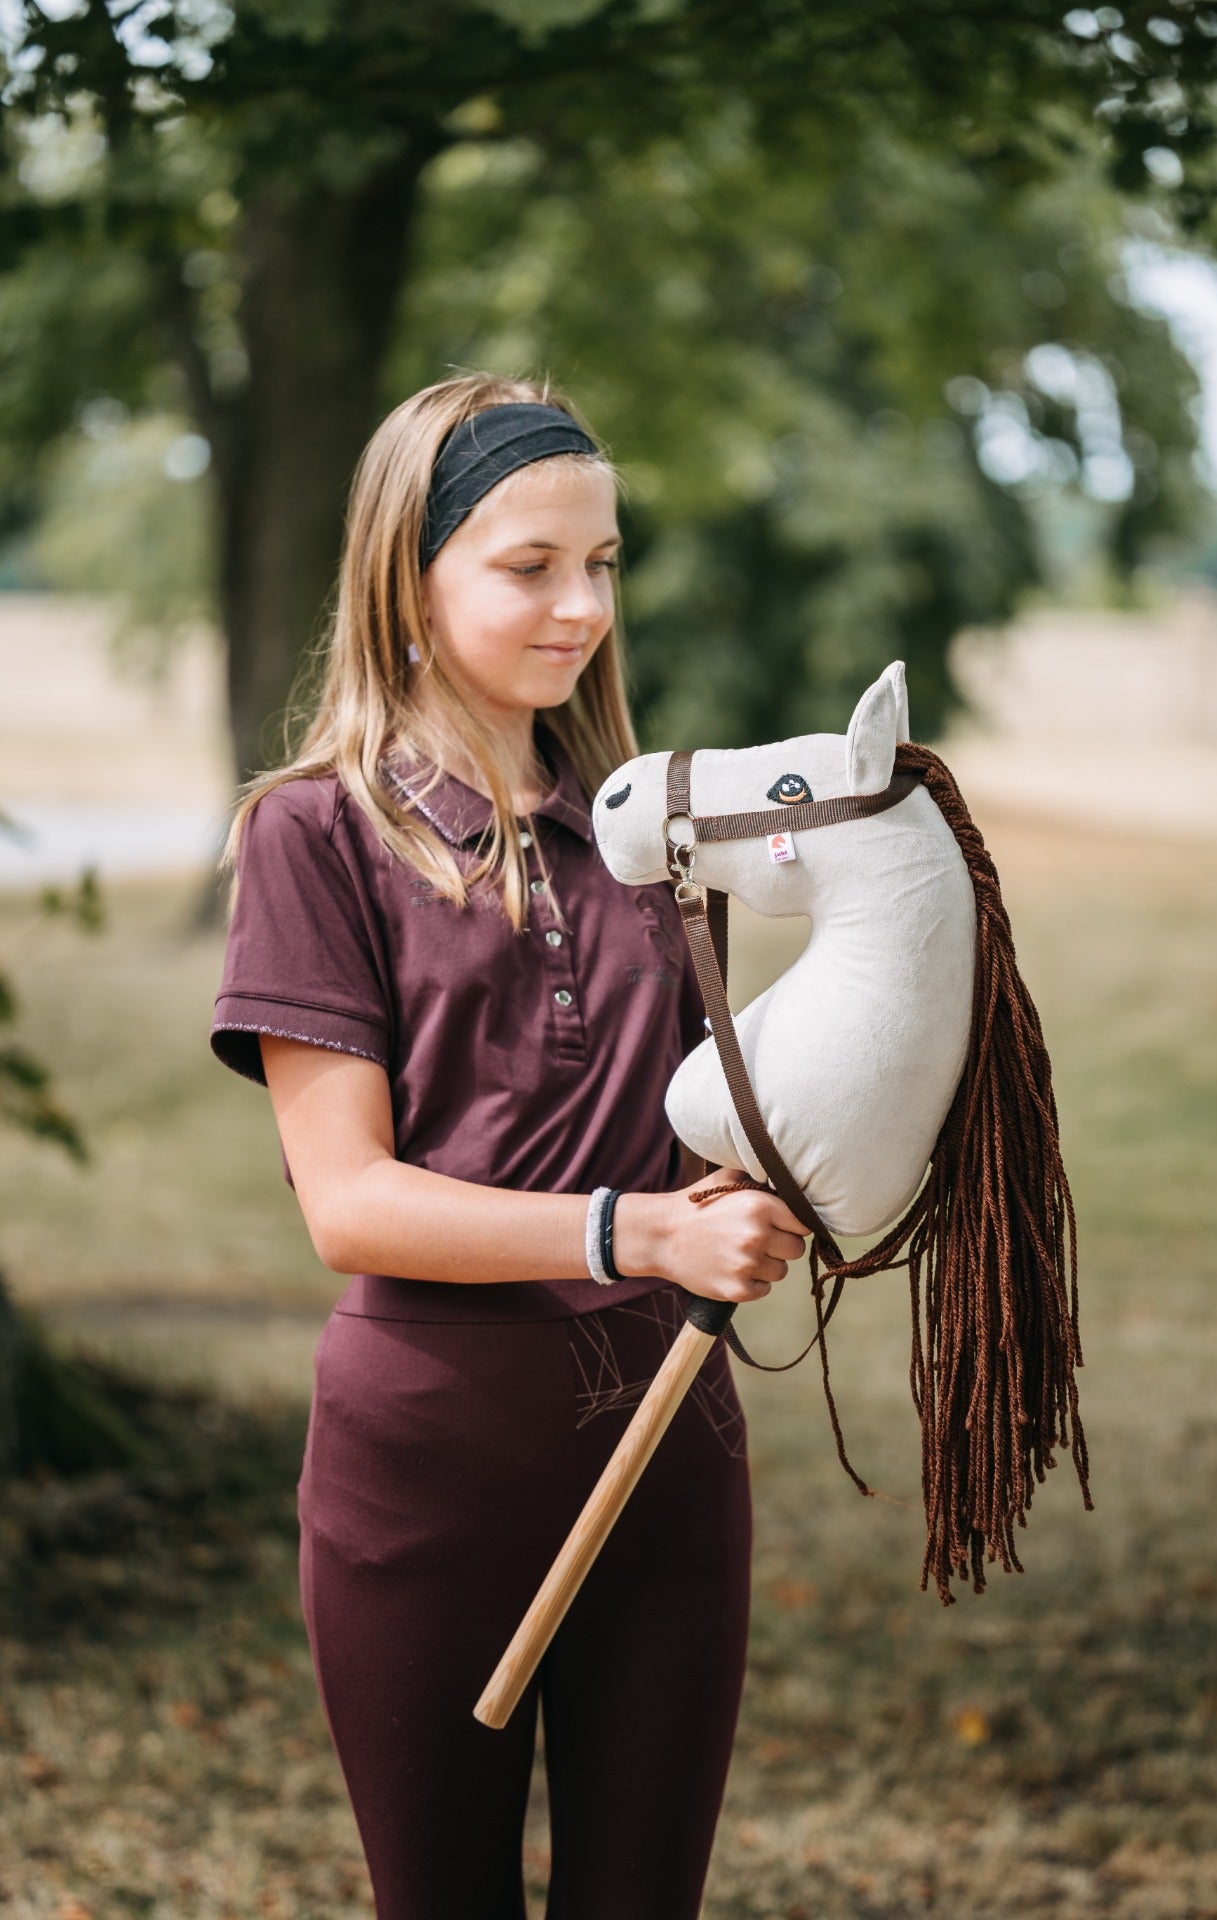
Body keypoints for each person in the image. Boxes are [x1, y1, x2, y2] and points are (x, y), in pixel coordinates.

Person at [210, 370, 810, 1920]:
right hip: (428, 1473)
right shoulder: (312, 834)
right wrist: (641, 1235)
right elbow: (349, 1204)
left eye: (602, 562)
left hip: (671, 1457)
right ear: (410, 582)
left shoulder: (662, 842)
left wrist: (771, 1183)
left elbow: (703, 1152)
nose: (581, 605)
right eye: (528, 566)